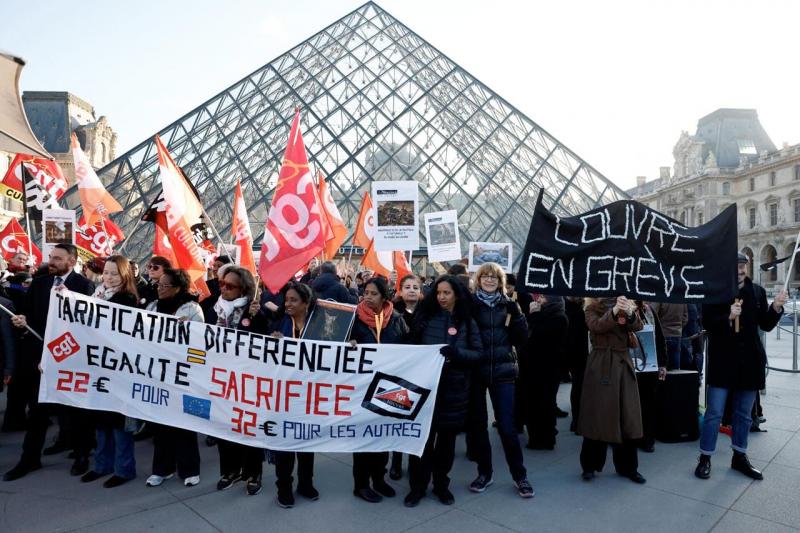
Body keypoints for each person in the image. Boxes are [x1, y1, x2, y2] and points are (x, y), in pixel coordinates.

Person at [4, 244, 95, 482]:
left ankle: (81, 455)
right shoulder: (40, 283)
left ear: (72, 261)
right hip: (40, 359)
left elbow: (85, 323)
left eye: (57, 258)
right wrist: (23, 320)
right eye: (51, 257)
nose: (52, 261)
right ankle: (29, 458)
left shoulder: (83, 285)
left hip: (69, 358)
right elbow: (29, 313)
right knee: (37, 410)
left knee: (74, 411)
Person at [694, 253, 785, 481]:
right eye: (735, 266)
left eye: (743, 266)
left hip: (750, 363)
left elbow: (765, 324)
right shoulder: (715, 292)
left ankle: (740, 456)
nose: (740, 270)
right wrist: (728, 316)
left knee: (744, 414)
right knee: (714, 413)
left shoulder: (757, 292)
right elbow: (707, 323)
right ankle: (705, 457)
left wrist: (775, 308)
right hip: (723, 362)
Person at [404, 275, 483, 507]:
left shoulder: (467, 322)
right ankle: (417, 487)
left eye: (446, 293)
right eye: (438, 293)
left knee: (446, 444)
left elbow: (478, 354)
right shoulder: (426, 318)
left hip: (454, 391)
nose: (441, 297)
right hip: (427, 389)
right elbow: (410, 349)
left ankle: (441, 485)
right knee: (422, 441)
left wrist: (456, 353)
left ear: (456, 295)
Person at [466, 263, 533, 497]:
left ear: (500, 281)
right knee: (478, 426)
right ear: (478, 279)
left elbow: (521, 338)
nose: (489, 280)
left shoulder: (509, 305)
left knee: (507, 426)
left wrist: (518, 315)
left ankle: (520, 476)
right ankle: (485, 473)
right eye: (485, 276)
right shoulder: (470, 304)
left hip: (503, 371)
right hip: (477, 371)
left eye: (494, 277)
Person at [80, 255, 140, 488]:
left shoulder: (127, 298)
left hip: (118, 368)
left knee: (118, 422)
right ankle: (102, 465)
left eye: (114, 273)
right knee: (100, 419)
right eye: (106, 272)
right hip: (97, 364)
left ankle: (124, 469)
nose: (109, 277)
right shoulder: (97, 294)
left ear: (124, 275)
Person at [349, 276, 409, 503]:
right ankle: (361, 484)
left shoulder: (396, 319)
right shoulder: (353, 318)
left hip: (387, 387)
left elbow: (409, 348)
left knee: (383, 434)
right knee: (363, 437)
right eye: (366, 293)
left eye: (374, 294)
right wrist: (348, 345)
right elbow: (337, 345)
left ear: (384, 297)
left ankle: (379, 479)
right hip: (361, 387)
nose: (368, 297)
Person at [578, 296, 647, 484]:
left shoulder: (627, 305)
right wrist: (614, 312)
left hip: (622, 365)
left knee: (627, 418)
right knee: (597, 416)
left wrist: (630, 313)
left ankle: (628, 467)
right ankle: (590, 465)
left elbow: (638, 327)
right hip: (601, 365)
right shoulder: (591, 307)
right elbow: (596, 326)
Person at [144, 268, 203, 488]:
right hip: (158, 372)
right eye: (158, 285)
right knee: (161, 424)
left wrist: (186, 331)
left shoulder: (192, 309)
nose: (159, 289)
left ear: (178, 288)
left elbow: (199, 341)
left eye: (164, 285)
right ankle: (162, 469)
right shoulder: (152, 306)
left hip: (182, 373)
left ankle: (189, 469)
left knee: (184, 423)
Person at [266, 282, 319, 508]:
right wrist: (272, 342)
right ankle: (284, 487)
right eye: (286, 300)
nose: (287, 304)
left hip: (309, 394)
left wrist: (350, 345)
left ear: (306, 303)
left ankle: (306, 483)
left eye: (293, 300)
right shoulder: (278, 323)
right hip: (283, 395)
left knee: (307, 443)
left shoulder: (319, 326)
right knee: (285, 444)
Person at [521, 293, 568, 451]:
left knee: (543, 404)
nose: (539, 300)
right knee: (538, 403)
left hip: (547, 368)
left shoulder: (558, 317)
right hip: (538, 367)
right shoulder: (548, 314)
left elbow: (537, 337)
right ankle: (540, 436)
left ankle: (543, 439)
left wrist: (534, 315)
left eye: (543, 298)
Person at [388, 273, 422, 480]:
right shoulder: (391, 312)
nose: (411, 290)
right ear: (400, 291)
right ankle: (396, 461)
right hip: (399, 372)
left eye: (415, 287)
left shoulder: (427, 313)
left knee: (416, 418)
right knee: (398, 416)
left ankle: (415, 460)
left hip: (421, 372)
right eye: (407, 287)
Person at [633, 301, 668, 453]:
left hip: (649, 366)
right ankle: (631, 438)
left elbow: (659, 337)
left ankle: (647, 439)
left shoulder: (649, 311)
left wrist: (662, 363)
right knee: (630, 403)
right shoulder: (620, 310)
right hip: (629, 366)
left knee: (648, 403)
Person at [564, 297, 588, 432]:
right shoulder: (576, 310)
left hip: (576, 354)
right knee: (579, 387)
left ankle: (578, 420)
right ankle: (578, 420)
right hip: (579, 354)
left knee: (578, 386)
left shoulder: (570, 308)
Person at [649, 302, 687, 370]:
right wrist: (678, 327)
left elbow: (651, 314)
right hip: (676, 335)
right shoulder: (681, 298)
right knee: (675, 368)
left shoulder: (659, 297)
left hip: (663, 334)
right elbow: (685, 318)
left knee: (661, 368)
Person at [201, 254, 233, 323]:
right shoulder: (206, 284)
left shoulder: (233, 288)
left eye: (219, 266)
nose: (215, 269)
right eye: (214, 266)